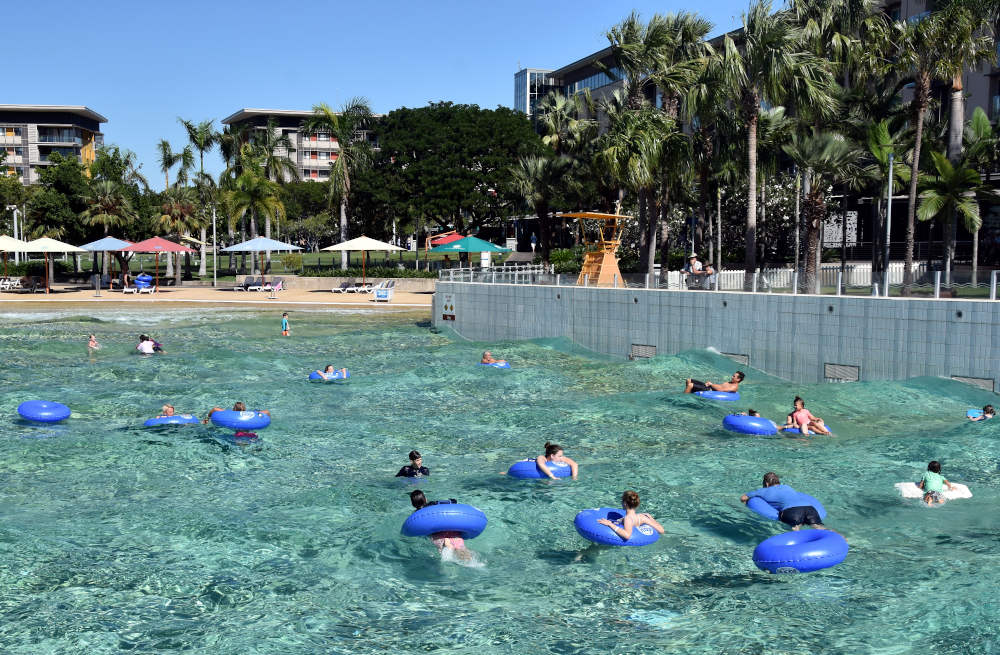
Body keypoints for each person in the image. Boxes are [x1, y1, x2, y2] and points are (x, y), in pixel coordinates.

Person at [741, 472, 827, 530]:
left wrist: (747, 503)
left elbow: (743, 498)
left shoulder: (763, 491)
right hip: (809, 509)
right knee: (819, 526)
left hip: (792, 511)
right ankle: (839, 536)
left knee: (796, 528)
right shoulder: (787, 487)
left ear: (766, 483)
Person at [409, 490, 472, 560]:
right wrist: (453, 501)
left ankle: (446, 542)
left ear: (412, 504)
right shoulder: (432, 504)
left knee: (443, 548)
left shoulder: (415, 516)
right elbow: (451, 502)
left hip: (436, 534)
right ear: (425, 499)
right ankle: (468, 558)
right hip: (450, 529)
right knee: (461, 548)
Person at [596, 490, 665, 541]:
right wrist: (651, 519)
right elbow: (661, 531)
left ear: (625, 503)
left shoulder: (628, 519)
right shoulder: (642, 517)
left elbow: (627, 535)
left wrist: (610, 524)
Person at [204, 402, 270, 424]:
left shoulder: (228, 414)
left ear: (233, 409)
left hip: (238, 433)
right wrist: (265, 419)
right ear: (245, 409)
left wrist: (207, 419)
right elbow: (267, 412)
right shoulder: (250, 414)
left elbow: (214, 409)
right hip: (251, 430)